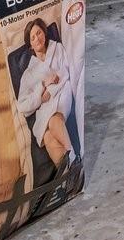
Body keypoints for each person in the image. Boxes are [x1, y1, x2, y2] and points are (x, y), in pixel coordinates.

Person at [15, 17, 78, 173]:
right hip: (44, 105)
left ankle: (74, 159)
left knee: (54, 120)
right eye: (33, 37)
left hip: (62, 93)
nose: (37, 38)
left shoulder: (57, 48)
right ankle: (68, 174)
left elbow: (64, 74)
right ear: (30, 44)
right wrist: (41, 90)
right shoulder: (28, 73)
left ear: (44, 32)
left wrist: (49, 91)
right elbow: (22, 105)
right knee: (48, 137)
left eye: (39, 32)